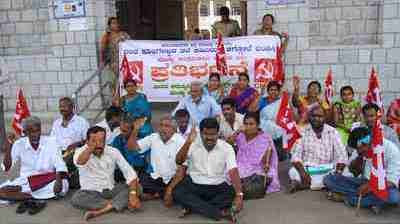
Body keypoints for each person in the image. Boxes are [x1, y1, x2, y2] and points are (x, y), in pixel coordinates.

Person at [173, 118, 243, 221]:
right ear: (200, 133)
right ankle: (219, 212)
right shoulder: (192, 144)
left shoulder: (226, 147)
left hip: (217, 185)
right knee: (177, 192)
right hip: (195, 184)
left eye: (213, 134)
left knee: (231, 193)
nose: (209, 138)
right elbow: (178, 161)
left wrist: (239, 195)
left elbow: (233, 171)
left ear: (218, 133)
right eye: (206, 134)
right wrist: (188, 142)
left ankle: (193, 207)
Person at [0, 116, 68, 215]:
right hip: (27, 181)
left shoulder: (51, 142)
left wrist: (58, 181)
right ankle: (33, 198)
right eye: (32, 131)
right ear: (25, 132)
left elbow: (59, 164)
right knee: (2, 191)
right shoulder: (19, 144)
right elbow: (6, 168)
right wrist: (9, 145)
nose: (36, 134)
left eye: (38, 130)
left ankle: (25, 197)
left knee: (60, 187)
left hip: (48, 180)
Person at [324, 127, 400, 214]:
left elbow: (392, 181)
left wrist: (371, 186)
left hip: (384, 186)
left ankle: (347, 198)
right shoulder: (359, 150)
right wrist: (359, 158)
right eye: (357, 149)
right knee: (329, 179)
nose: (359, 151)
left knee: (393, 197)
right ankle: (373, 201)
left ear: (370, 141)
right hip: (363, 182)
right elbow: (353, 171)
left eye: (362, 148)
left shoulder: (391, 150)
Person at [71, 126, 141, 221]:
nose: (98, 144)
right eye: (94, 141)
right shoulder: (80, 151)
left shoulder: (113, 151)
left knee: (137, 187)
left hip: (111, 190)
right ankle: (118, 204)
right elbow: (80, 161)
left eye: (101, 141)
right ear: (87, 142)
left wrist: (132, 194)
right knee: (76, 198)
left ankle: (101, 210)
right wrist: (90, 148)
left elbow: (130, 173)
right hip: (91, 193)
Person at [125, 116, 187, 205]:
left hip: (172, 179)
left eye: (167, 126)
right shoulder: (154, 137)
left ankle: (156, 194)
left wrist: (170, 190)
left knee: (180, 192)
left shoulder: (181, 142)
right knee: (133, 187)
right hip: (155, 178)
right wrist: (135, 130)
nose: (162, 128)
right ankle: (159, 194)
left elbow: (181, 171)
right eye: (161, 125)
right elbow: (131, 147)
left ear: (174, 129)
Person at [288, 105, 348, 193]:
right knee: (293, 172)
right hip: (309, 169)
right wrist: (303, 173)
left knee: (346, 172)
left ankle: (305, 184)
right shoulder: (303, 131)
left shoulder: (332, 132)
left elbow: (342, 155)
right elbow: (295, 156)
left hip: (328, 169)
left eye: (320, 116)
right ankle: (327, 185)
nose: (316, 119)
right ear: (309, 117)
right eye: (314, 116)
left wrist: (337, 173)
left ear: (325, 118)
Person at [234, 112, 280, 196]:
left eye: (251, 124)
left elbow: (266, 159)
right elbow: (228, 142)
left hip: (259, 167)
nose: (248, 127)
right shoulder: (240, 136)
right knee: (231, 173)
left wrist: (266, 162)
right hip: (242, 165)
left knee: (268, 176)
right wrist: (237, 131)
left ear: (258, 125)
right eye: (246, 124)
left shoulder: (265, 138)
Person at [50, 97, 89, 188]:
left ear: (72, 107)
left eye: (65, 106)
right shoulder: (56, 123)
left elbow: (88, 140)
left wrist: (77, 143)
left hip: (74, 153)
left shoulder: (81, 122)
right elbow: (51, 140)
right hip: (58, 152)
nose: (62, 109)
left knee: (62, 162)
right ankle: (62, 179)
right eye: (60, 106)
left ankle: (59, 179)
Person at [111, 113, 149, 177]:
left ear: (132, 130)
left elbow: (139, 163)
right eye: (121, 130)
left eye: (124, 131)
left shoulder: (142, 140)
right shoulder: (117, 139)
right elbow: (116, 160)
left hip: (140, 171)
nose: (121, 133)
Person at [99, 17, 131, 89]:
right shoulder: (107, 36)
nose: (116, 25)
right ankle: (116, 98)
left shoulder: (123, 34)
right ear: (109, 26)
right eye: (113, 23)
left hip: (125, 62)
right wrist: (102, 61)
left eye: (117, 23)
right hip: (114, 64)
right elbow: (102, 50)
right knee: (115, 83)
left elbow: (132, 45)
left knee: (126, 81)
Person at [259, 81, 286, 161]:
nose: (273, 92)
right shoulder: (262, 101)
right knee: (264, 155)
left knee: (279, 157)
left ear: (278, 91)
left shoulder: (281, 101)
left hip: (279, 131)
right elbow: (252, 110)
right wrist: (260, 95)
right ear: (268, 91)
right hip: (264, 130)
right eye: (271, 90)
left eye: (275, 90)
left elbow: (288, 114)